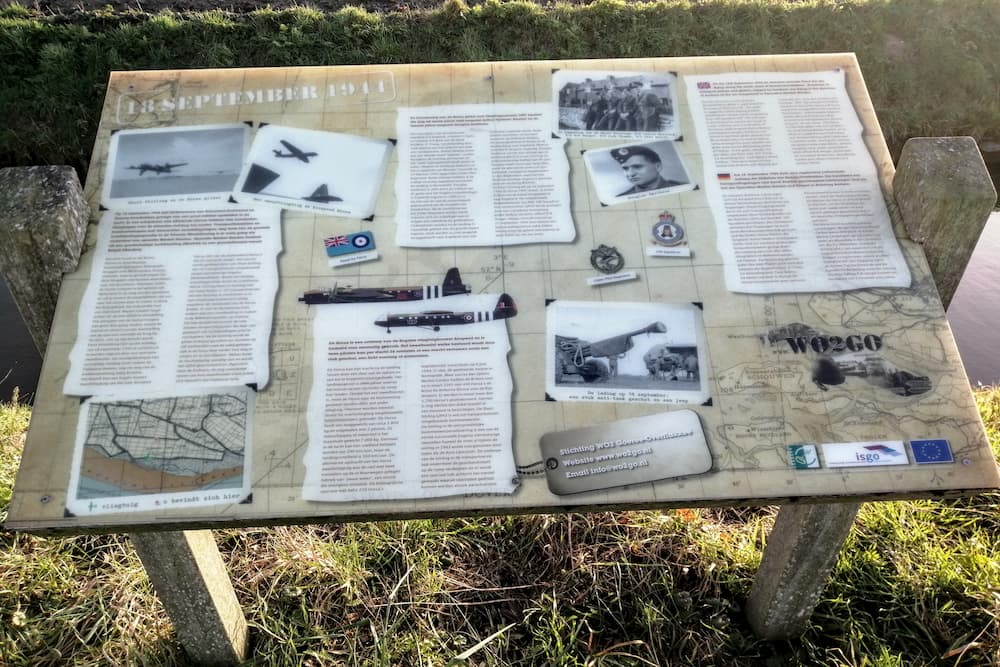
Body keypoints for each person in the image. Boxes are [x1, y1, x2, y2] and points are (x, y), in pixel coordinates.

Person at [612, 145, 684, 196]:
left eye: (637, 167)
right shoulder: (622, 197)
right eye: (625, 168)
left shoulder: (681, 188)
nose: (630, 174)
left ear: (658, 167)